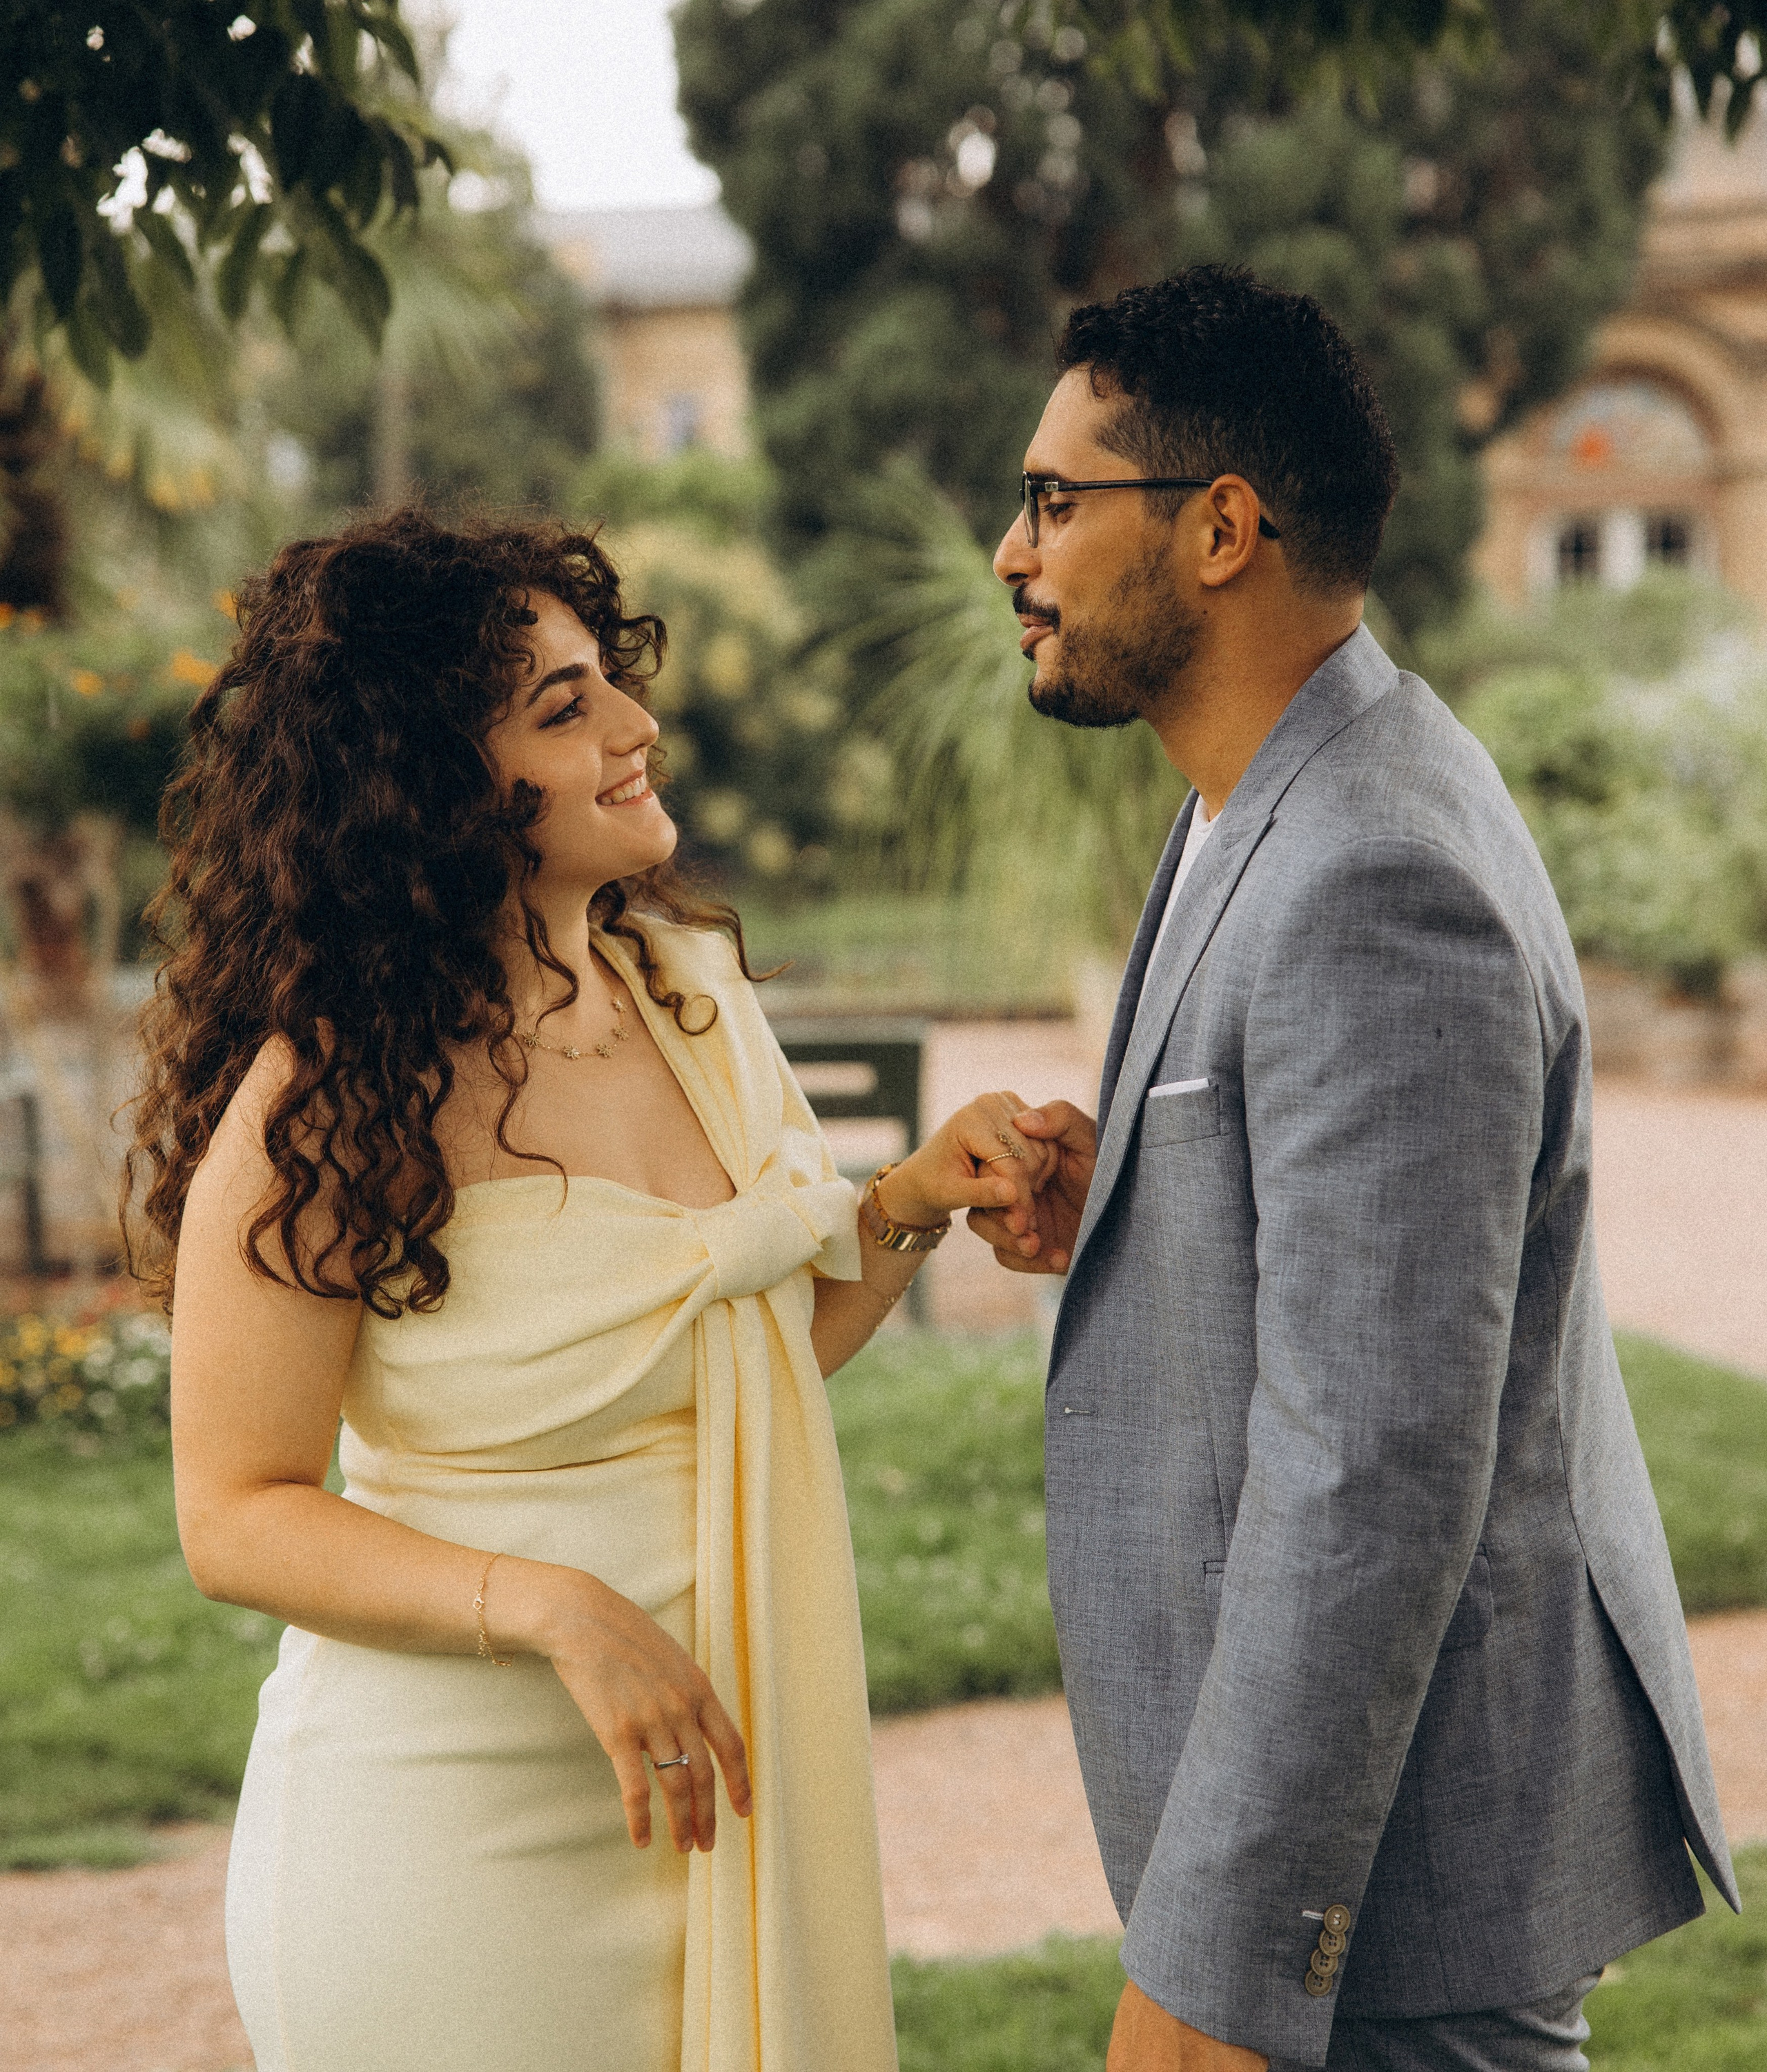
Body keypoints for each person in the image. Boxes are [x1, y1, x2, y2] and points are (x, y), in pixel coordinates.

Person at [128, 510, 1044, 2072]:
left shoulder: (691, 994)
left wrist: (904, 1208)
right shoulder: (330, 1098)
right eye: (564, 710)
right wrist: (555, 1611)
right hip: (446, 1846)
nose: (636, 729)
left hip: (709, 1797)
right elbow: (236, 1509)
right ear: (425, 783)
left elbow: (742, 1355)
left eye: (607, 683)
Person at [966, 267, 1736, 2072]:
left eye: (1056, 499)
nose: (1015, 551)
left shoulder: (1374, 874)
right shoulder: (1266, 790)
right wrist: (1146, 1225)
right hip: (1356, 1898)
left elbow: (1374, 1476)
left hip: (1376, 1924)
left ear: (1221, 526)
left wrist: (1220, 1972)